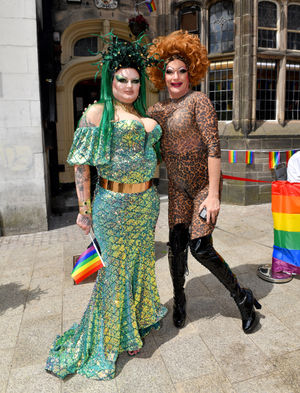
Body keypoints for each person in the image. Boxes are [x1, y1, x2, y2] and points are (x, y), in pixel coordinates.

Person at [45, 33, 167, 380]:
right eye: (121, 80)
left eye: (134, 81)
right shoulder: (97, 113)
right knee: (113, 274)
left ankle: (134, 325)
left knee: (139, 266)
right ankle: (109, 339)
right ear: (110, 81)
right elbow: (81, 166)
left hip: (146, 204)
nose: (129, 86)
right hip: (111, 206)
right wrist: (84, 210)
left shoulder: (144, 116)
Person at [147, 30, 261, 334]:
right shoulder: (156, 111)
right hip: (178, 191)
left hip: (202, 188)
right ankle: (180, 299)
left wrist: (213, 195)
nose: (175, 77)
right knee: (177, 247)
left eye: (182, 70)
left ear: (191, 72)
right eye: (169, 71)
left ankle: (242, 298)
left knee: (199, 247)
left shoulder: (199, 101)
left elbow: (213, 149)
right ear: (162, 75)